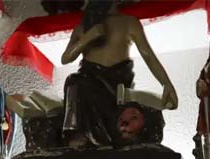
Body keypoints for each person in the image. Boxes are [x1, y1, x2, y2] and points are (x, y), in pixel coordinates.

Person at [61, 0, 177, 148]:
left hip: (115, 83)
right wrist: (87, 38)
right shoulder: (83, 27)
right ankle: (76, 135)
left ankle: (111, 138)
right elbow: (66, 58)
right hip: (89, 78)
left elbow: (148, 56)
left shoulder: (128, 22)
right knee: (75, 82)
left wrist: (166, 84)